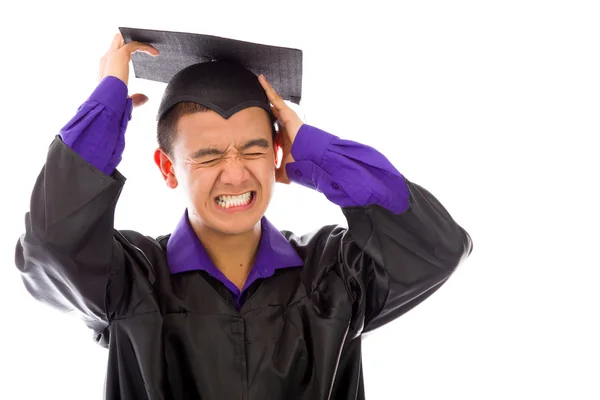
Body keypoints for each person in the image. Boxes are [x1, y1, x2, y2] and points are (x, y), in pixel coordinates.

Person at [15, 30, 473, 400]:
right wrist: (107, 107)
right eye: (209, 157)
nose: (235, 175)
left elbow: (436, 249)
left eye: (253, 150)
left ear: (277, 153)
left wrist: (319, 156)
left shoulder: (334, 274)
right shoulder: (132, 281)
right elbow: (51, 244)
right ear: (167, 168)